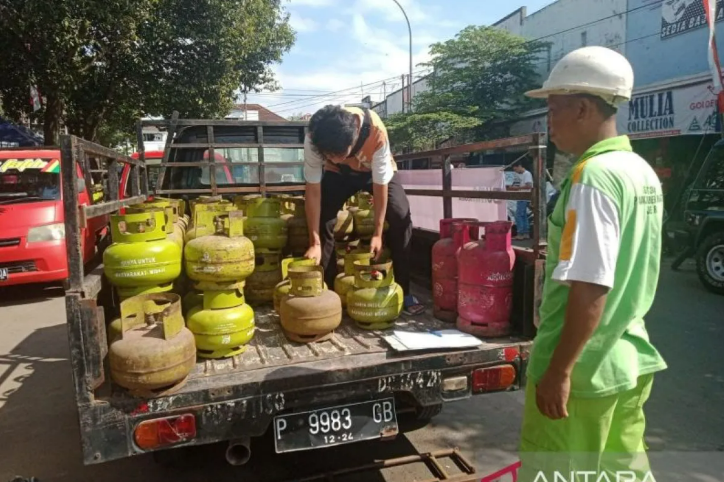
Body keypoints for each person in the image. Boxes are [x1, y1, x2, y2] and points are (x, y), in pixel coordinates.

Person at [518, 46, 667, 480]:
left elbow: (590, 285)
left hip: (583, 371)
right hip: (628, 360)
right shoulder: (637, 170)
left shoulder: (592, 177)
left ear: (583, 108)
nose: (549, 122)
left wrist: (559, 372)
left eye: (553, 109)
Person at [303, 105, 424, 315]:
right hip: (339, 175)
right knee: (324, 216)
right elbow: (312, 190)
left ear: (353, 138)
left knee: (400, 215)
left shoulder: (376, 131)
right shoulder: (314, 138)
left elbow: (380, 185)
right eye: (328, 155)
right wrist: (314, 242)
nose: (332, 158)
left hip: (374, 174)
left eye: (339, 153)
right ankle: (330, 291)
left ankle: (403, 291)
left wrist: (377, 234)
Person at [508, 161, 533, 240]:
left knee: (519, 215)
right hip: (522, 196)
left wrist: (517, 188)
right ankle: (525, 233)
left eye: (516, 169)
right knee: (523, 215)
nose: (516, 171)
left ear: (520, 166)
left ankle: (520, 233)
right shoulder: (522, 175)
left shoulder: (527, 174)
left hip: (523, 197)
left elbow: (529, 186)